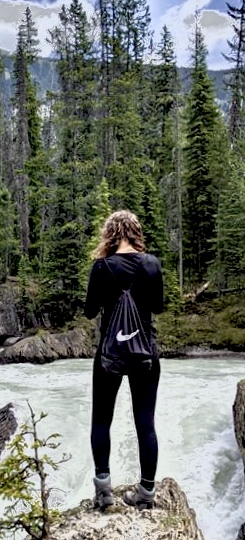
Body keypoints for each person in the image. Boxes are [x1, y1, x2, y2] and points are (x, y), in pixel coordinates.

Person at [84, 210, 164, 510]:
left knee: (101, 421)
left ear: (111, 233)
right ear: (135, 232)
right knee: (146, 423)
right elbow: (158, 306)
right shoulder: (152, 264)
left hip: (109, 354)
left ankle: (104, 492)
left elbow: (91, 311)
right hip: (145, 353)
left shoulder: (102, 267)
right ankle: (146, 492)